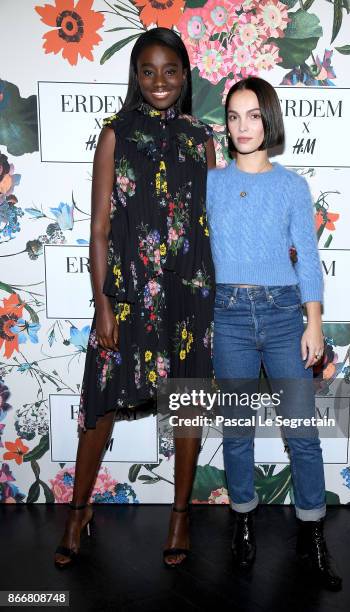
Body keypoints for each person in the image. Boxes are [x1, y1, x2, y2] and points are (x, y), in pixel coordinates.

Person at [54, 27, 216, 569]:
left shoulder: (202, 137)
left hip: (188, 293)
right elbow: (99, 228)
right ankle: (78, 511)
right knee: (99, 403)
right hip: (126, 295)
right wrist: (102, 302)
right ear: (135, 76)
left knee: (187, 402)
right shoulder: (115, 135)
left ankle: (179, 517)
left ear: (185, 74)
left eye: (170, 70)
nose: (160, 81)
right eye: (148, 71)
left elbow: (213, 221)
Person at [206, 77, 342, 591]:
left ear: (270, 120)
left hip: (286, 316)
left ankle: (312, 533)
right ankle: (242, 521)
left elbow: (307, 257)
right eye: (235, 116)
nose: (243, 127)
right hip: (229, 317)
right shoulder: (212, 182)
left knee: (303, 435)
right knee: (237, 432)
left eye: (254, 116)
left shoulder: (291, 185)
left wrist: (313, 321)